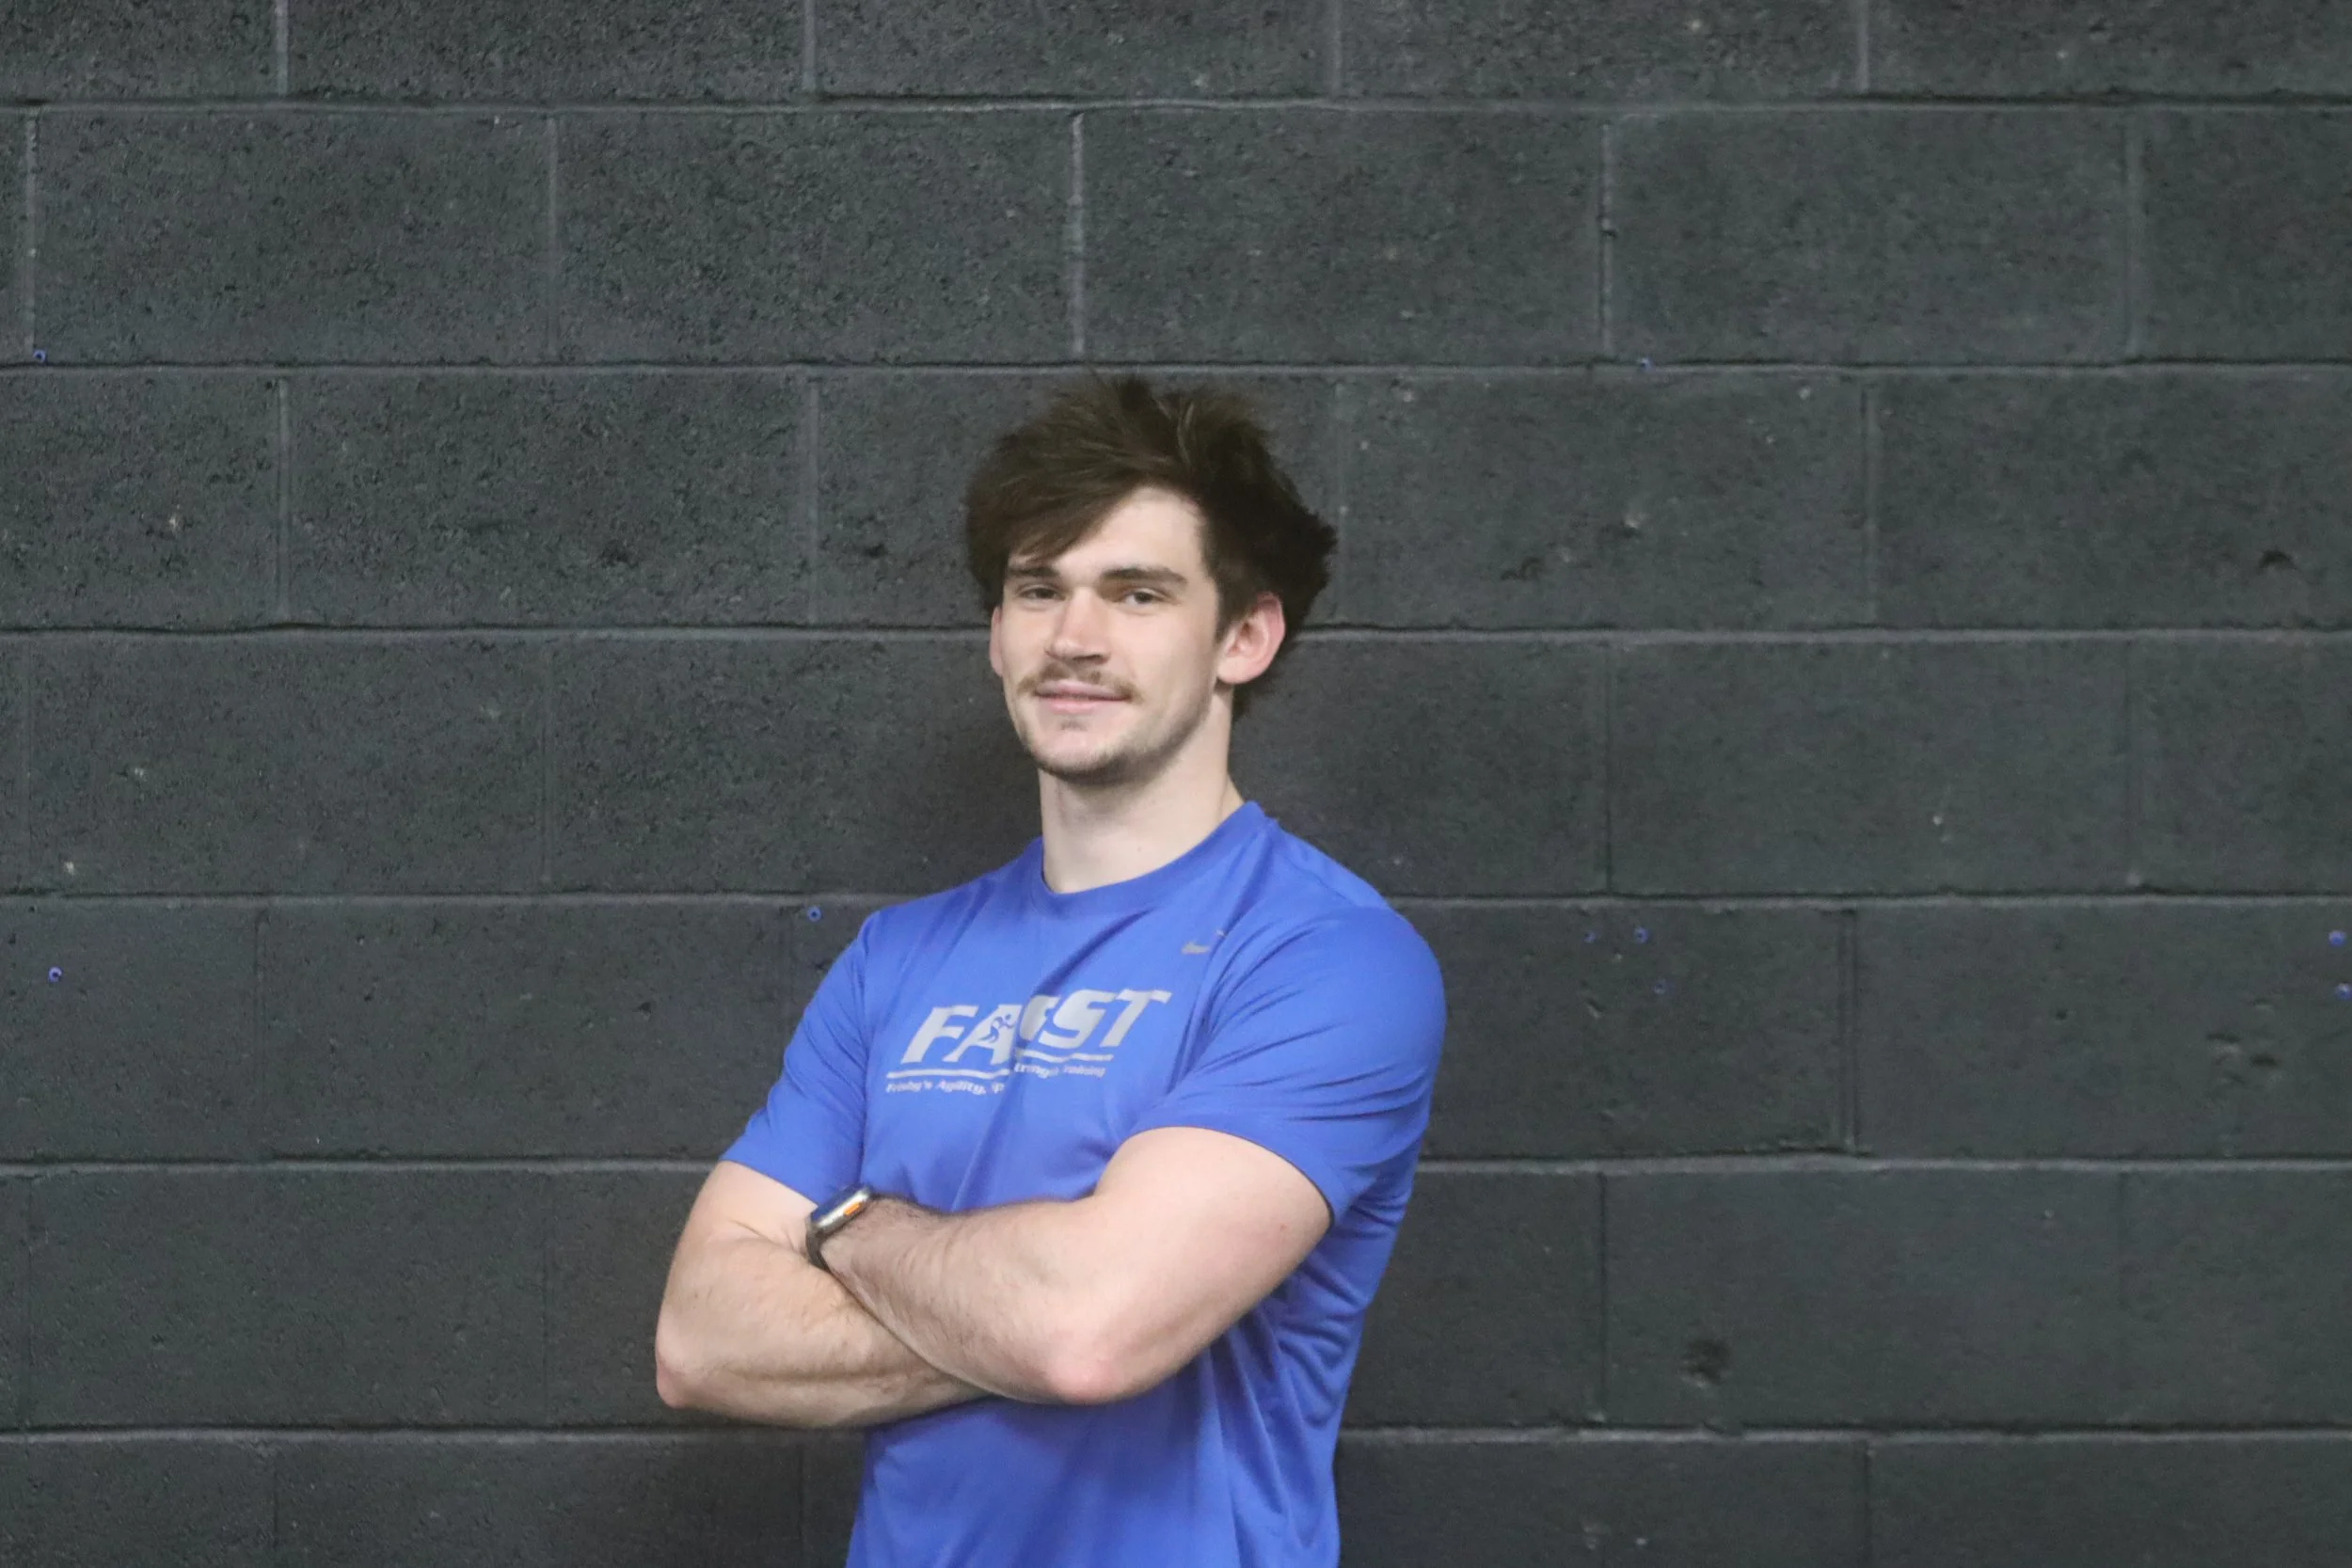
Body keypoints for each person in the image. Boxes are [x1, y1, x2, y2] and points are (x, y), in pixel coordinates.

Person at [654, 374, 1448, 1567]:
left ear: (1245, 634)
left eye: (1137, 592)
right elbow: (701, 1339)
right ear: (997, 631)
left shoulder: (1324, 956)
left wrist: (854, 1228)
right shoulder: (898, 958)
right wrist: (1021, 1305)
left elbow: (1087, 1331)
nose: (1074, 637)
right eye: (1039, 590)